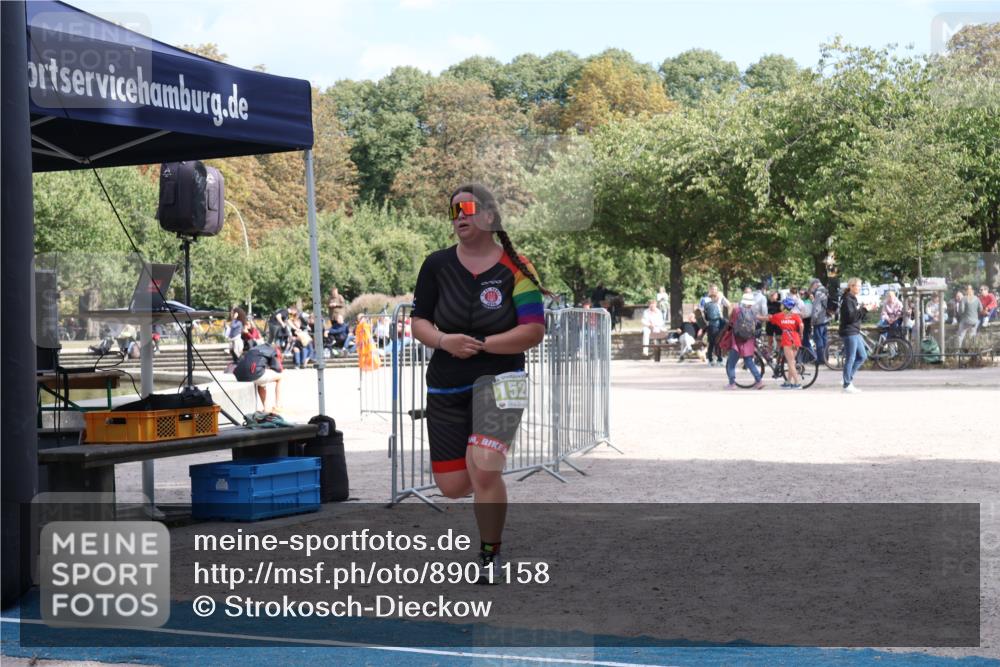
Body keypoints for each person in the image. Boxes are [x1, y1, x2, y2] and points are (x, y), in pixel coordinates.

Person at [409, 183, 545, 583]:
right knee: (452, 486)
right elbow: (419, 321)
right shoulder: (436, 265)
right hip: (446, 385)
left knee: (484, 468)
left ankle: (490, 556)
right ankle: (486, 480)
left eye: (466, 209)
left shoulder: (518, 266)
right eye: (453, 212)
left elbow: (534, 330)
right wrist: (443, 340)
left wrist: (483, 344)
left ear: (488, 215)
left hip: (503, 380)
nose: (459, 217)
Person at [724, 293, 764, 390]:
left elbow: (731, 323)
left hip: (737, 341)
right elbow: (757, 325)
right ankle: (759, 381)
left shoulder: (736, 310)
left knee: (731, 363)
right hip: (749, 341)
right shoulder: (753, 312)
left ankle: (732, 384)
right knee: (749, 361)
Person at [233, 342, 284, 413]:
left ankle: (266, 408)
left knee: (261, 383)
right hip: (255, 373)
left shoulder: (255, 348)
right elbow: (277, 368)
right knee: (280, 378)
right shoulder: (273, 350)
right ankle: (278, 406)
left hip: (239, 376)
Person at [767, 297, 804, 389]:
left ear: (785, 307)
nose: (781, 306)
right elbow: (801, 325)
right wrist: (801, 334)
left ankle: (797, 383)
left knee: (790, 363)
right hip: (796, 338)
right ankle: (788, 382)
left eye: (782, 305)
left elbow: (768, 318)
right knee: (792, 361)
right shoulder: (796, 316)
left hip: (787, 339)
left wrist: (757, 316)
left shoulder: (780, 316)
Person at [839, 277, 868, 393]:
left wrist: (865, 309)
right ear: (851, 286)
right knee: (851, 357)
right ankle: (847, 384)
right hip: (849, 331)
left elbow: (857, 315)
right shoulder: (847, 299)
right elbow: (851, 317)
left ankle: (847, 378)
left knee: (862, 356)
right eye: (858, 286)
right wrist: (864, 309)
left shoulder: (853, 298)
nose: (860, 288)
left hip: (855, 331)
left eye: (861, 286)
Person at [701, 289, 727, 367]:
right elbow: (720, 317)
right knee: (717, 344)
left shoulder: (706, 305)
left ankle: (710, 360)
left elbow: (705, 317)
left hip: (710, 327)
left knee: (711, 344)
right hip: (717, 326)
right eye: (716, 296)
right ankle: (719, 360)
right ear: (714, 297)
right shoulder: (716, 305)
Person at [809, 279, 829, 363]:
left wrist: (813, 320)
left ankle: (820, 359)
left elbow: (816, 308)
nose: (811, 288)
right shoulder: (826, 291)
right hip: (826, 319)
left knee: (819, 340)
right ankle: (826, 358)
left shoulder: (818, 292)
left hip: (819, 320)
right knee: (825, 339)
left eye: (811, 286)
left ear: (815, 284)